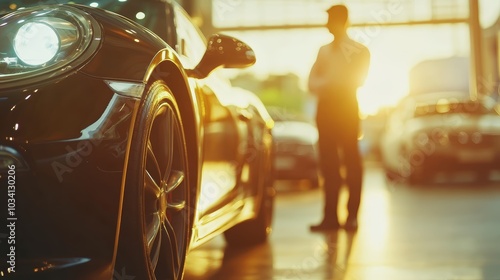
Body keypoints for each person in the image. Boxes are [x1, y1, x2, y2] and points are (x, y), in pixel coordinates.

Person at [308, 4, 370, 231]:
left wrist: (328, 83)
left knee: (351, 161)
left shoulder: (358, 50)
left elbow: (356, 80)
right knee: (328, 164)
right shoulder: (323, 51)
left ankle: (351, 216)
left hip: (346, 108)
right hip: (326, 110)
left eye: (330, 19)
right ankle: (330, 218)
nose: (326, 23)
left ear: (341, 21)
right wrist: (331, 83)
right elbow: (311, 82)